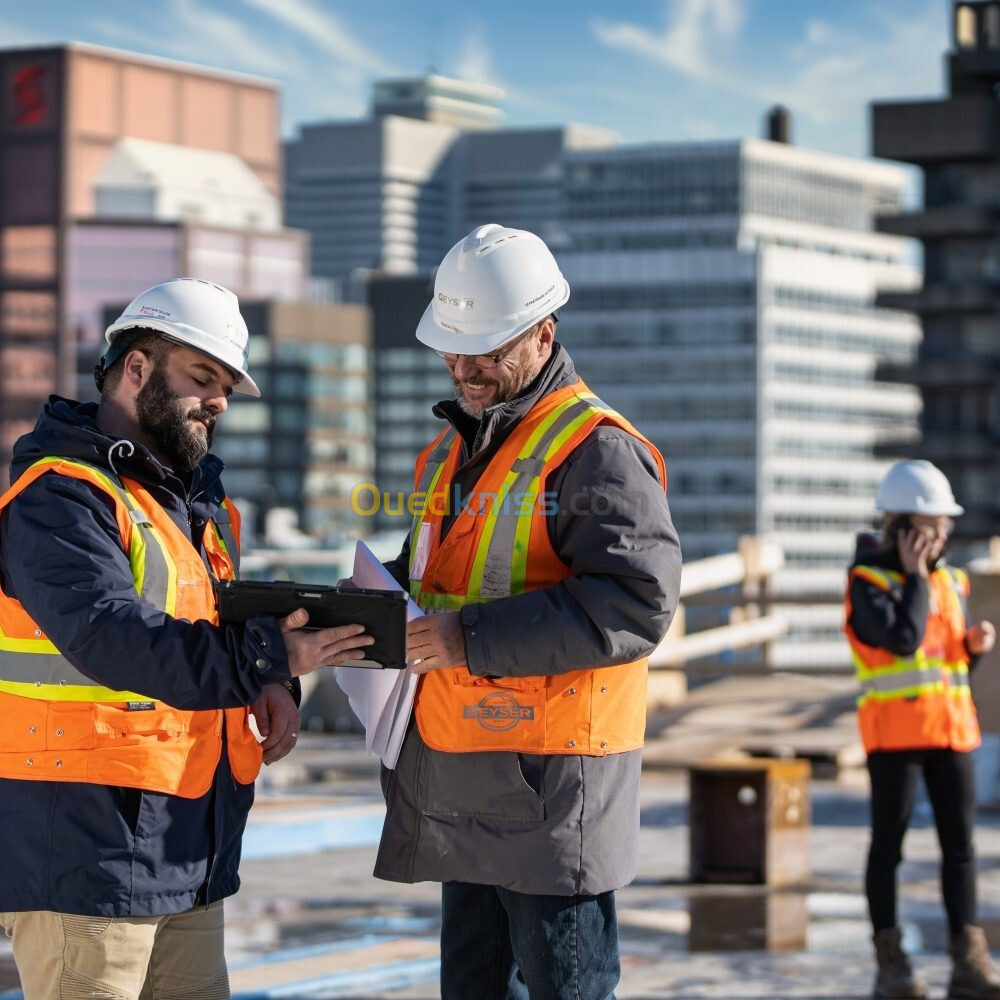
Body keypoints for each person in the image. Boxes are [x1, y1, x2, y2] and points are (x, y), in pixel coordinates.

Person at [0, 278, 373, 1000]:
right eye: (202, 378)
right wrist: (266, 657)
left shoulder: (185, 506)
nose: (220, 402)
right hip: (85, 857)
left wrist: (272, 680)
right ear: (135, 368)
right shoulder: (61, 498)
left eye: (227, 385)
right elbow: (112, 636)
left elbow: (206, 623)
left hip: (181, 847)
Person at [376, 224, 682, 1000]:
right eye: (452, 347)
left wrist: (465, 637)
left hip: (553, 781)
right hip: (467, 769)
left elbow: (637, 600)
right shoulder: (452, 451)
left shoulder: (595, 449)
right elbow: (434, 576)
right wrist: (354, 607)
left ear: (544, 331)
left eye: (485, 350)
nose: (464, 367)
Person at [845, 459, 1000, 1000]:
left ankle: (968, 961)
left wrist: (972, 649)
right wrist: (913, 576)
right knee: (888, 848)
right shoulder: (868, 582)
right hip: (895, 742)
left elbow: (946, 666)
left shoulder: (951, 581)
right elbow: (904, 641)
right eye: (933, 528)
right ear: (903, 528)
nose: (943, 538)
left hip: (951, 735)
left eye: (945, 528)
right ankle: (892, 966)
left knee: (961, 850)